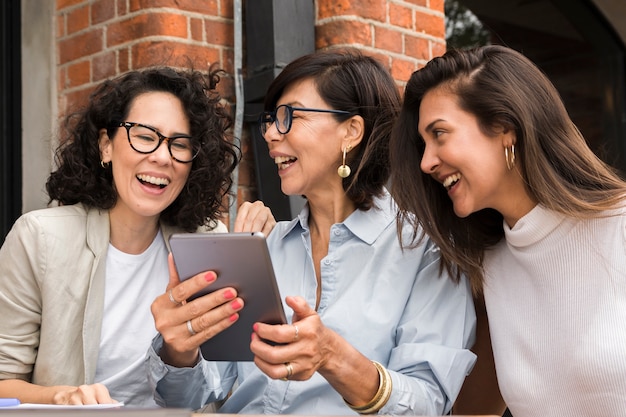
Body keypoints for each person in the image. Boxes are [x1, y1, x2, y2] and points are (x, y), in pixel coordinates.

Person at [147, 49, 477, 415]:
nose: (271, 133)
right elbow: (191, 396)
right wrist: (180, 350)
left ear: (351, 131)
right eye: (271, 119)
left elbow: (428, 405)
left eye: (289, 116)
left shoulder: (426, 253)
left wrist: (334, 357)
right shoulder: (265, 247)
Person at [0, 66, 275, 406]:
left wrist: (181, 349)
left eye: (180, 144)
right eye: (145, 136)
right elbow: (3, 380)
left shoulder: (209, 243)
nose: (162, 157)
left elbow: (207, 394)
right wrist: (64, 397)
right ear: (106, 146)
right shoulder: (39, 238)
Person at [389, 44, 626, 417]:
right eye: (423, 144)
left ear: (504, 127)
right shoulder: (489, 267)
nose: (426, 162)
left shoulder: (620, 228)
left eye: (439, 134)